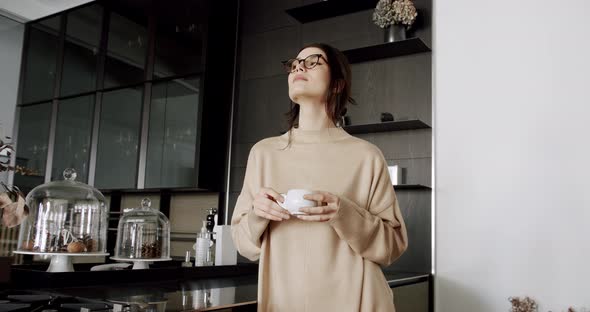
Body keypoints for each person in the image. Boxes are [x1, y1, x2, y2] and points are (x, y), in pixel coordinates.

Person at [230, 43, 408, 311]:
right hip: (284, 303)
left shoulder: (367, 156)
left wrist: (344, 212)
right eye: (295, 63)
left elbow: (392, 246)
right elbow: (244, 244)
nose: (299, 66)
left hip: (358, 302)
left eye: (314, 61)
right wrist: (259, 214)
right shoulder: (264, 153)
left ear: (337, 84)